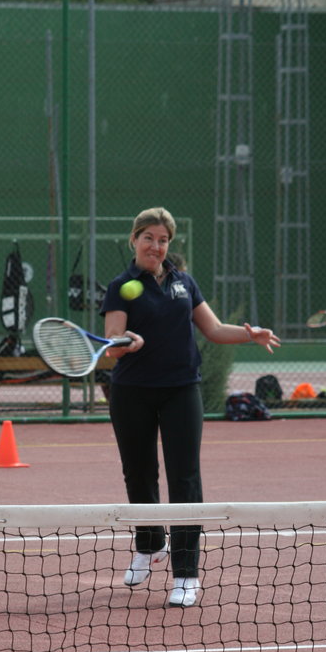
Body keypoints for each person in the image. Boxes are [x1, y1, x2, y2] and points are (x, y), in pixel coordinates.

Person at [100, 206, 280, 608]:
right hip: (132, 392)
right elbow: (112, 339)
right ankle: (150, 545)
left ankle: (185, 574)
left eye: (163, 240)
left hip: (181, 390)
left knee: (185, 480)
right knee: (139, 474)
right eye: (149, 238)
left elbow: (213, 329)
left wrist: (250, 334)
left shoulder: (184, 283)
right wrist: (128, 341)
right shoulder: (121, 286)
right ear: (134, 240)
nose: (156, 246)